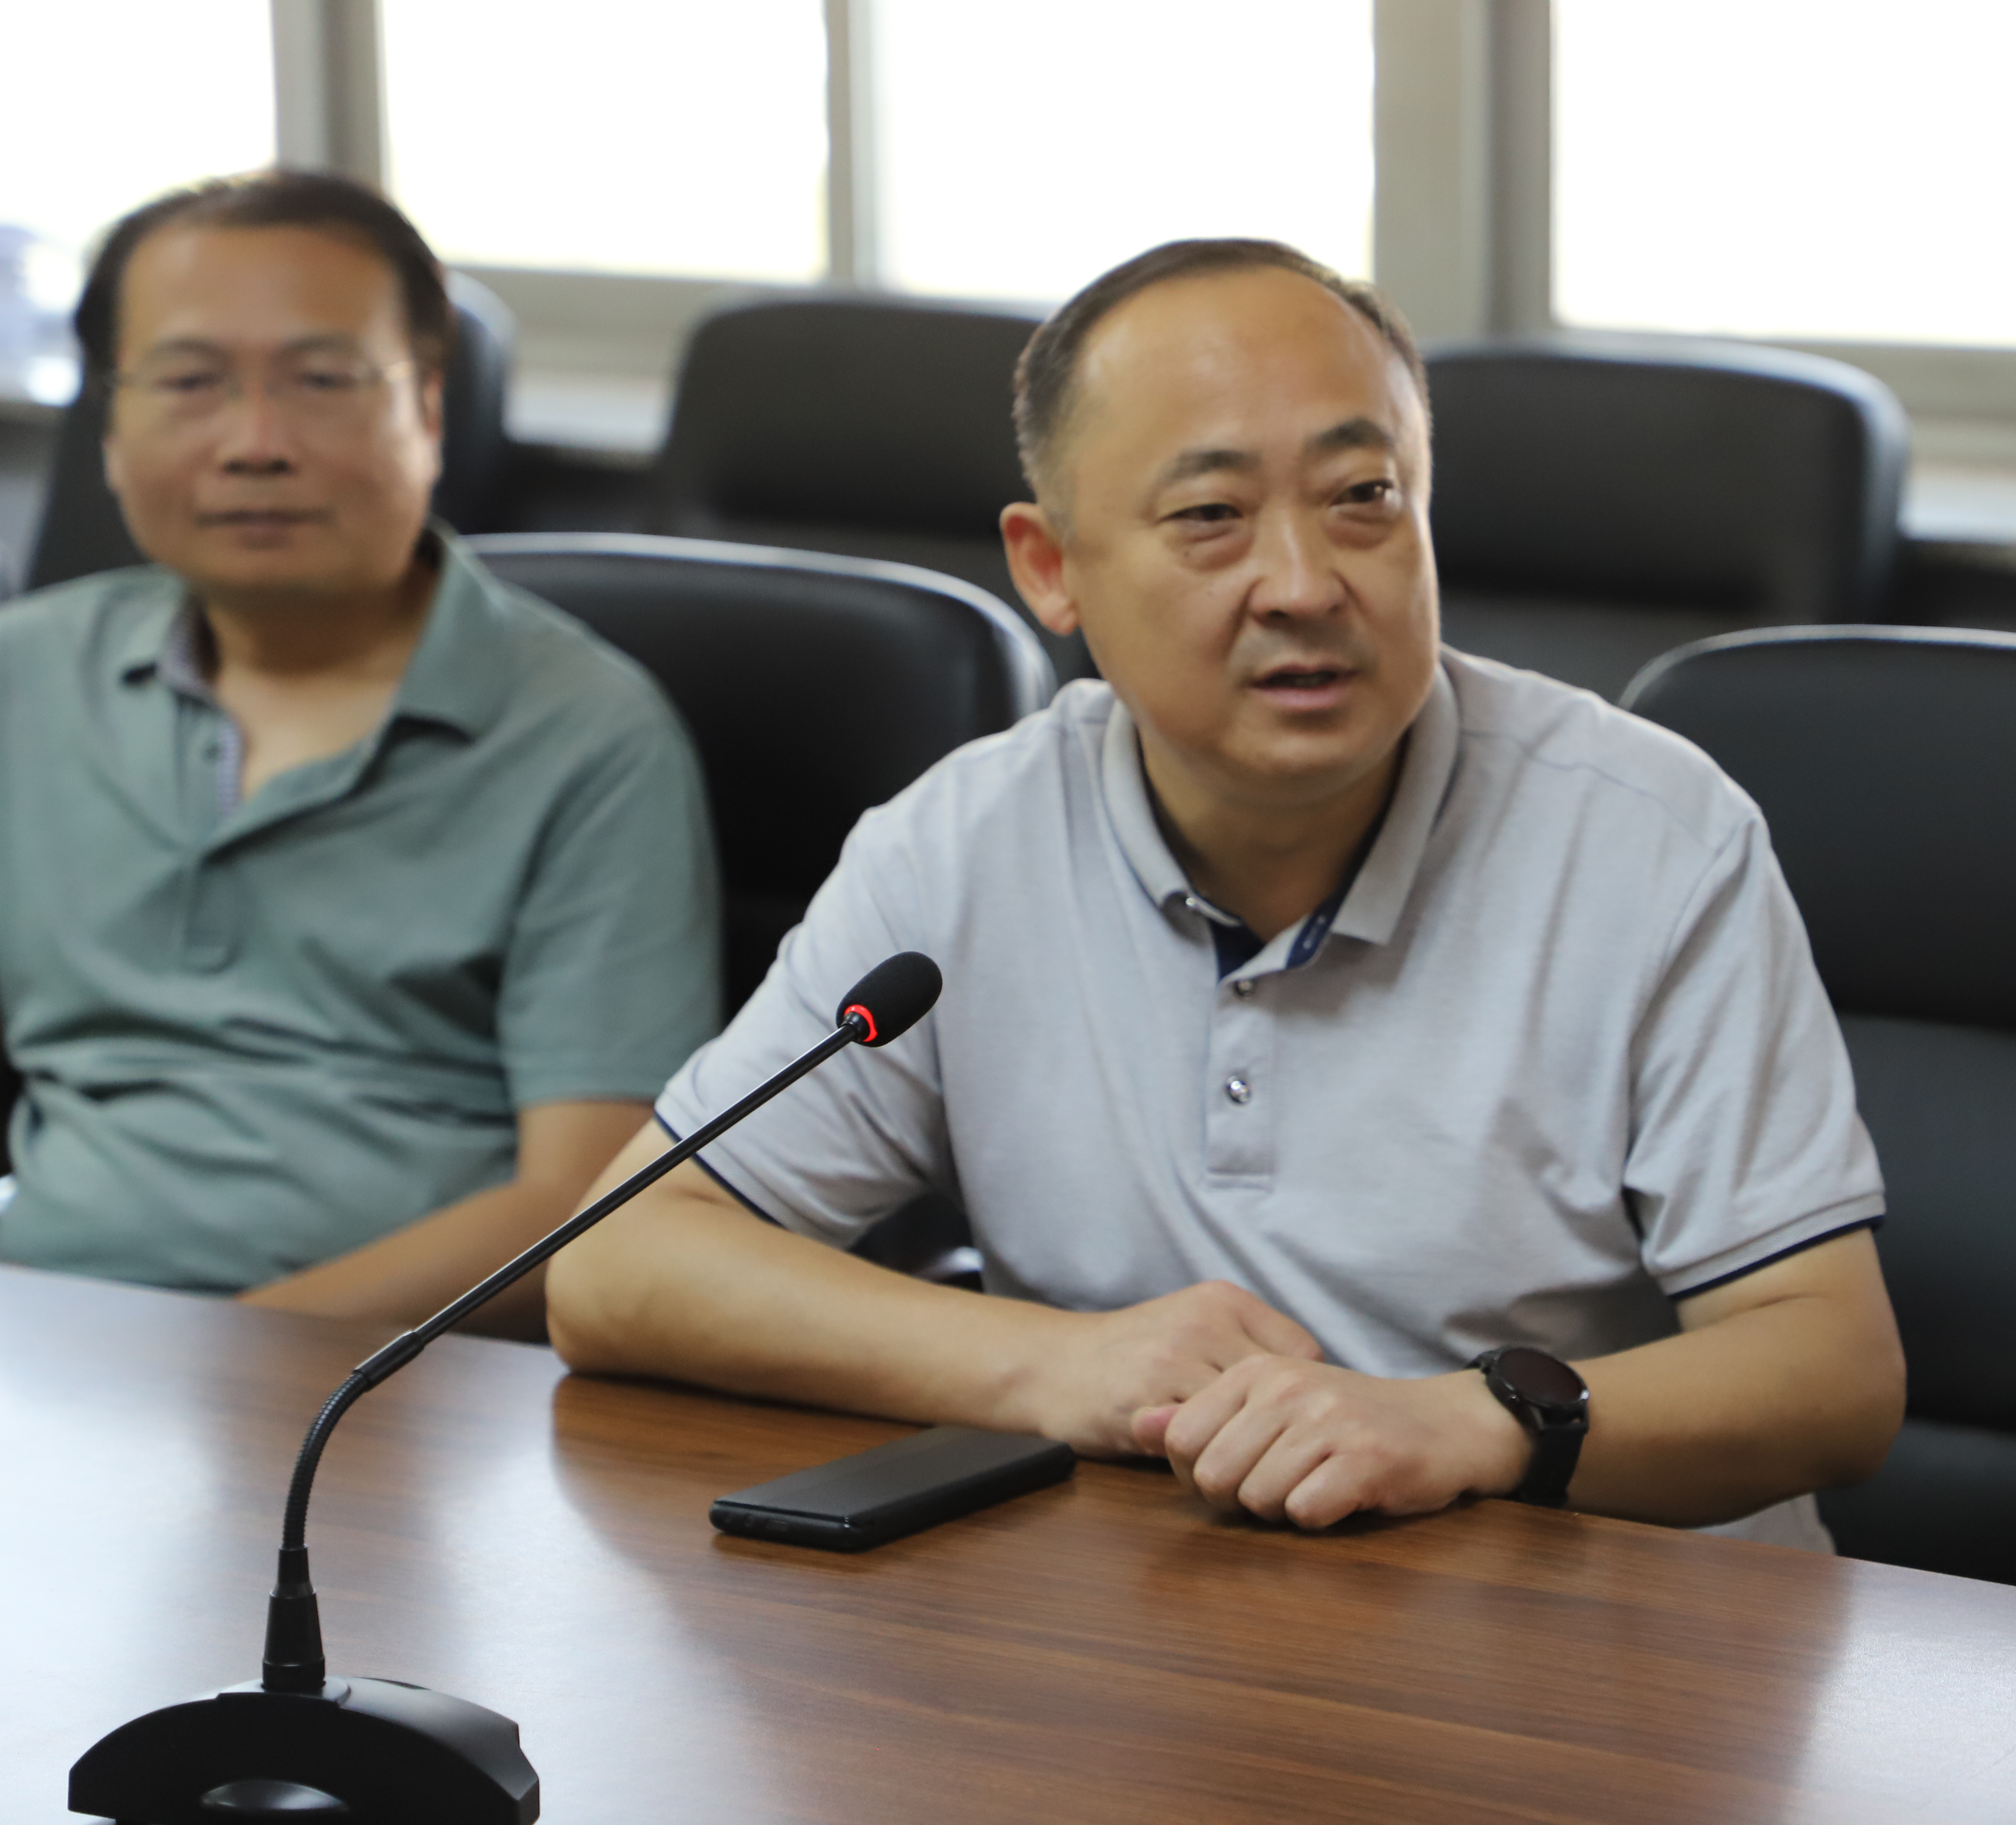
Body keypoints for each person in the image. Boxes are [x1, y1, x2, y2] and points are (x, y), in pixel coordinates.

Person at [549, 239, 1902, 1542]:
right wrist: (1057, 1365)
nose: (1305, 585)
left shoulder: (1650, 836)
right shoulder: (962, 844)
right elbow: (620, 1267)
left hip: (1609, 1634)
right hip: (1174, 1618)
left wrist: (1469, 1425)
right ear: (1052, 567)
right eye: (1211, 516)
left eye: (1364, 497)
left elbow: (1832, 1371)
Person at [0, 172, 718, 1335]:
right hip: (42, 1345)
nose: (255, 444)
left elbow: (586, 1197)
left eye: (322, 381)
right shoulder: (23, 669)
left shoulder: (586, 731)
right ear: (110, 430)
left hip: (394, 1382)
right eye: (188, 382)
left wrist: (219, 1362)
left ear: (427, 407)